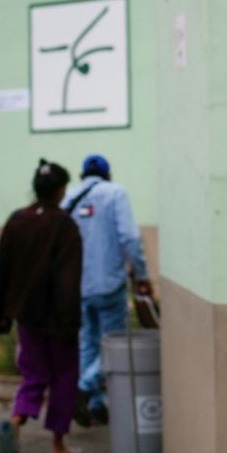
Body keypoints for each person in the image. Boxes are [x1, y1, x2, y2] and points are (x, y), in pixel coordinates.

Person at [0, 159, 85, 453]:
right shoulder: (64, 225)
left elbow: (1, 268)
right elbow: (69, 278)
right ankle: (57, 445)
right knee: (64, 377)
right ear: (60, 191)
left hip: (27, 316)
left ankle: (15, 421)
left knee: (33, 374)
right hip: (58, 319)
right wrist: (71, 321)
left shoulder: (17, 220)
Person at [64, 153, 152, 425]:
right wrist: (141, 273)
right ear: (108, 174)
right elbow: (129, 236)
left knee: (88, 343)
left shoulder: (69, 197)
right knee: (114, 343)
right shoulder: (116, 193)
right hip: (109, 282)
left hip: (79, 284)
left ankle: (95, 405)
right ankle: (85, 387)